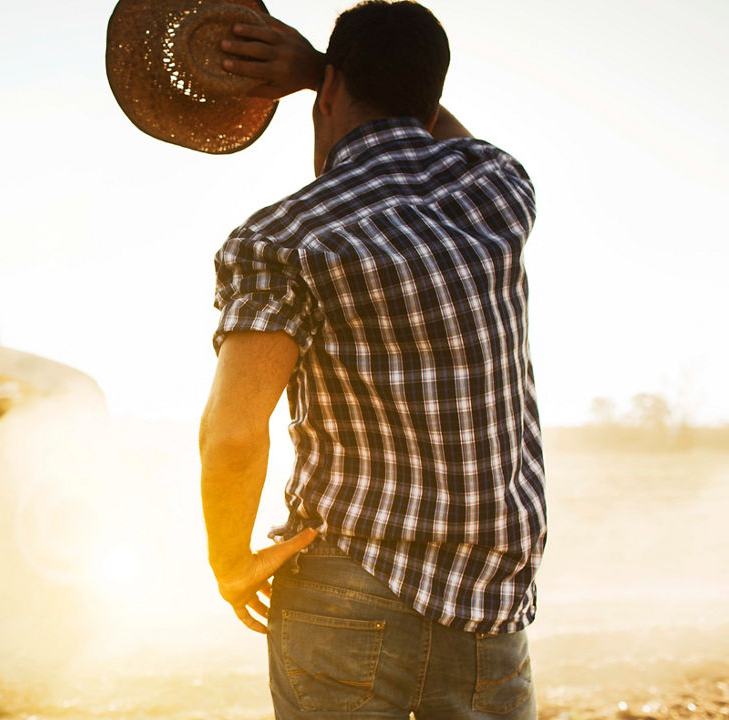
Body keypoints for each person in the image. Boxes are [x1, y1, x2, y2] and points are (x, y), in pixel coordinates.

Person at [197, 2, 545, 719]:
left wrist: (230, 563)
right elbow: (435, 133)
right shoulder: (497, 191)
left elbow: (232, 436)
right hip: (490, 600)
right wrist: (326, 71)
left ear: (328, 93)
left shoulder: (281, 238)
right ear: (432, 89)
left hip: (344, 587)